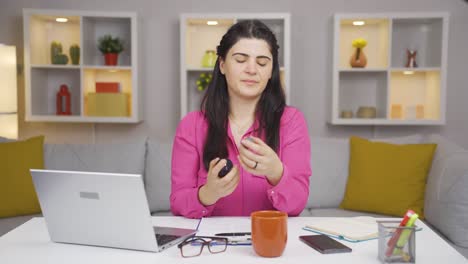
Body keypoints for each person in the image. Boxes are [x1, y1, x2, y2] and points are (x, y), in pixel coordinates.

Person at [170, 20, 311, 218]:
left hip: (268, 242)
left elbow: (297, 205)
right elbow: (178, 202)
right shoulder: (191, 126)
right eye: (240, 60)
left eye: (262, 62)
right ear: (222, 65)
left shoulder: (291, 121)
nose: (252, 70)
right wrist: (208, 194)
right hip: (213, 245)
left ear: (271, 71)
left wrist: (276, 172)